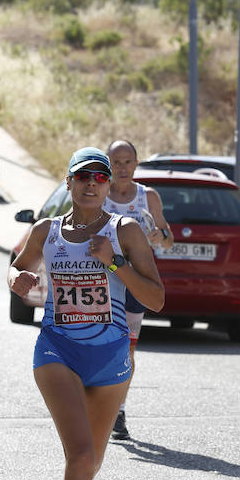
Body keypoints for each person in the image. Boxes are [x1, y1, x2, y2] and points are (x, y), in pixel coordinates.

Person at [8, 146, 164, 480]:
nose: (93, 183)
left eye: (100, 176)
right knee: (78, 458)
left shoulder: (125, 230)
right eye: (84, 177)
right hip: (57, 349)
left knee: (91, 463)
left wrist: (113, 263)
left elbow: (155, 300)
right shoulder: (47, 231)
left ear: (108, 184)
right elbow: (18, 267)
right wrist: (16, 279)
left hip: (111, 358)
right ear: (70, 182)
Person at [103, 139, 173, 440]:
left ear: (136, 163)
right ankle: (95, 402)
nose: (121, 167)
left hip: (135, 280)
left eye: (127, 161)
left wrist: (160, 235)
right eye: (116, 162)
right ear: (108, 163)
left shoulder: (148, 196)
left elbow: (168, 239)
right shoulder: (98, 191)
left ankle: (118, 410)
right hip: (100, 280)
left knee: (127, 348)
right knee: (97, 342)